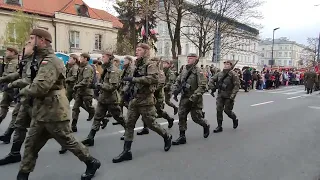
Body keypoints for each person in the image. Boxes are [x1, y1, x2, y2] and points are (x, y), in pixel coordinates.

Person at [16, 28, 100, 180]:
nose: (29, 41)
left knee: (68, 141)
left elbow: (40, 87)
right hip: (41, 111)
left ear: (42, 40)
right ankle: (22, 175)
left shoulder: (52, 61)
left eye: (32, 38)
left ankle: (91, 161)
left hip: (54, 112)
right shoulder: (38, 60)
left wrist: (22, 92)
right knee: (30, 145)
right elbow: (31, 81)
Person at [112, 43, 172, 163]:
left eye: (139, 50)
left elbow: (153, 79)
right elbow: (132, 80)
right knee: (129, 124)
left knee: (151, 124)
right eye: (136, 49)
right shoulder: (136, 65)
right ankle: (126, 151)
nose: (136, 52)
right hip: (135, 99)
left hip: (146, 100)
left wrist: (134, 79)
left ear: (145, 51)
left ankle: (166, 136)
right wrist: (126, 91)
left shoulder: (150, 64)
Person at [81, 51, 126, 146]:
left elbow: (112, 87)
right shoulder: (105, 69)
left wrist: (100, 85)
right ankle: (90, 137)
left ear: (110, 58)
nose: (102, 58)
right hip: (102, 98)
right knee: (97, 117)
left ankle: (128, 130)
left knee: (118, 117)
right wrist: (95, 86)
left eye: (104, 57)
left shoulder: (113, 70)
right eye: (102, 56)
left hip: (111, 99)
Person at [171, 53, 210, 145]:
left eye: (191, 58)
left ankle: (205, 125)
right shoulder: (184, 70)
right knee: (181, 115)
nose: (189, 60)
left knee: (196, 118)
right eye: (188, 58)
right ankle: (182, 136)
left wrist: (194, 96)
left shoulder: (198, 71)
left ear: (195, 59)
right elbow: (178, 81)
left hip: (195, 98)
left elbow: (203, 86)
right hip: (185, 97)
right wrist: (174, 89)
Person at [209, 60, 240, 133]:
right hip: (220, 95)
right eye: (225, 64)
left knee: (227, 110)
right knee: (219, 110)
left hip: (229, 96)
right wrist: (212, 87)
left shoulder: (233, 74)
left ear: (231, 65)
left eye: (228, 64)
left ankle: (234, 119)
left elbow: (236, 86)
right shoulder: (219, 74)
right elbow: (212, 80)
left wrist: (232, 96)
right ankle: (219, 126)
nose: (226, 65)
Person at [71, 53, 95, 132]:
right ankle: (73, 125)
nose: (80, 58)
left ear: (85, 59)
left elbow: (86, 81)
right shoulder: (81, 67)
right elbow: (78, 78)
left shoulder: (87, 68)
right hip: (80, 91)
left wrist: (77, 85)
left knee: (88, 106)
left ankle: (101, 118)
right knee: (75, 108)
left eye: (81, 57)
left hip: (87, 92)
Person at [0, 47, 19, 124]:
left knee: (18, 109)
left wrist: (2, 79)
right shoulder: (9, 62)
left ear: (13, 53)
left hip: (13, 88)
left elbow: (13, 76)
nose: (6, 53)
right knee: (3, 105)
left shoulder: (15, 63)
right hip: (7, 88)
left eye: (7, 51)